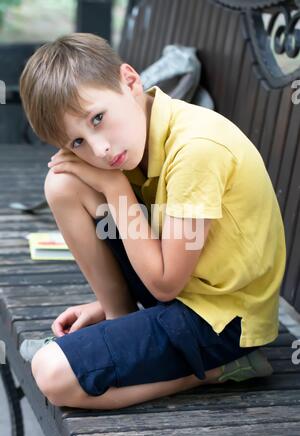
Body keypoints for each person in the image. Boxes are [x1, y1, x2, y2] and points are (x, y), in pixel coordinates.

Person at [19, 33, 285, 410]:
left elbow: (164, 286)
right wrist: (108, 313)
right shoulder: (132, 138)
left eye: (98, 118)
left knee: (53, 375)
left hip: (223, 320)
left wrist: (115, 188)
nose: (100, 148)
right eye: (76, 142)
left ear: (130, 81)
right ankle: (118, 317)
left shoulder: (196, 149)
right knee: (63, 183)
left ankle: (218, 370)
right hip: (175, 284)